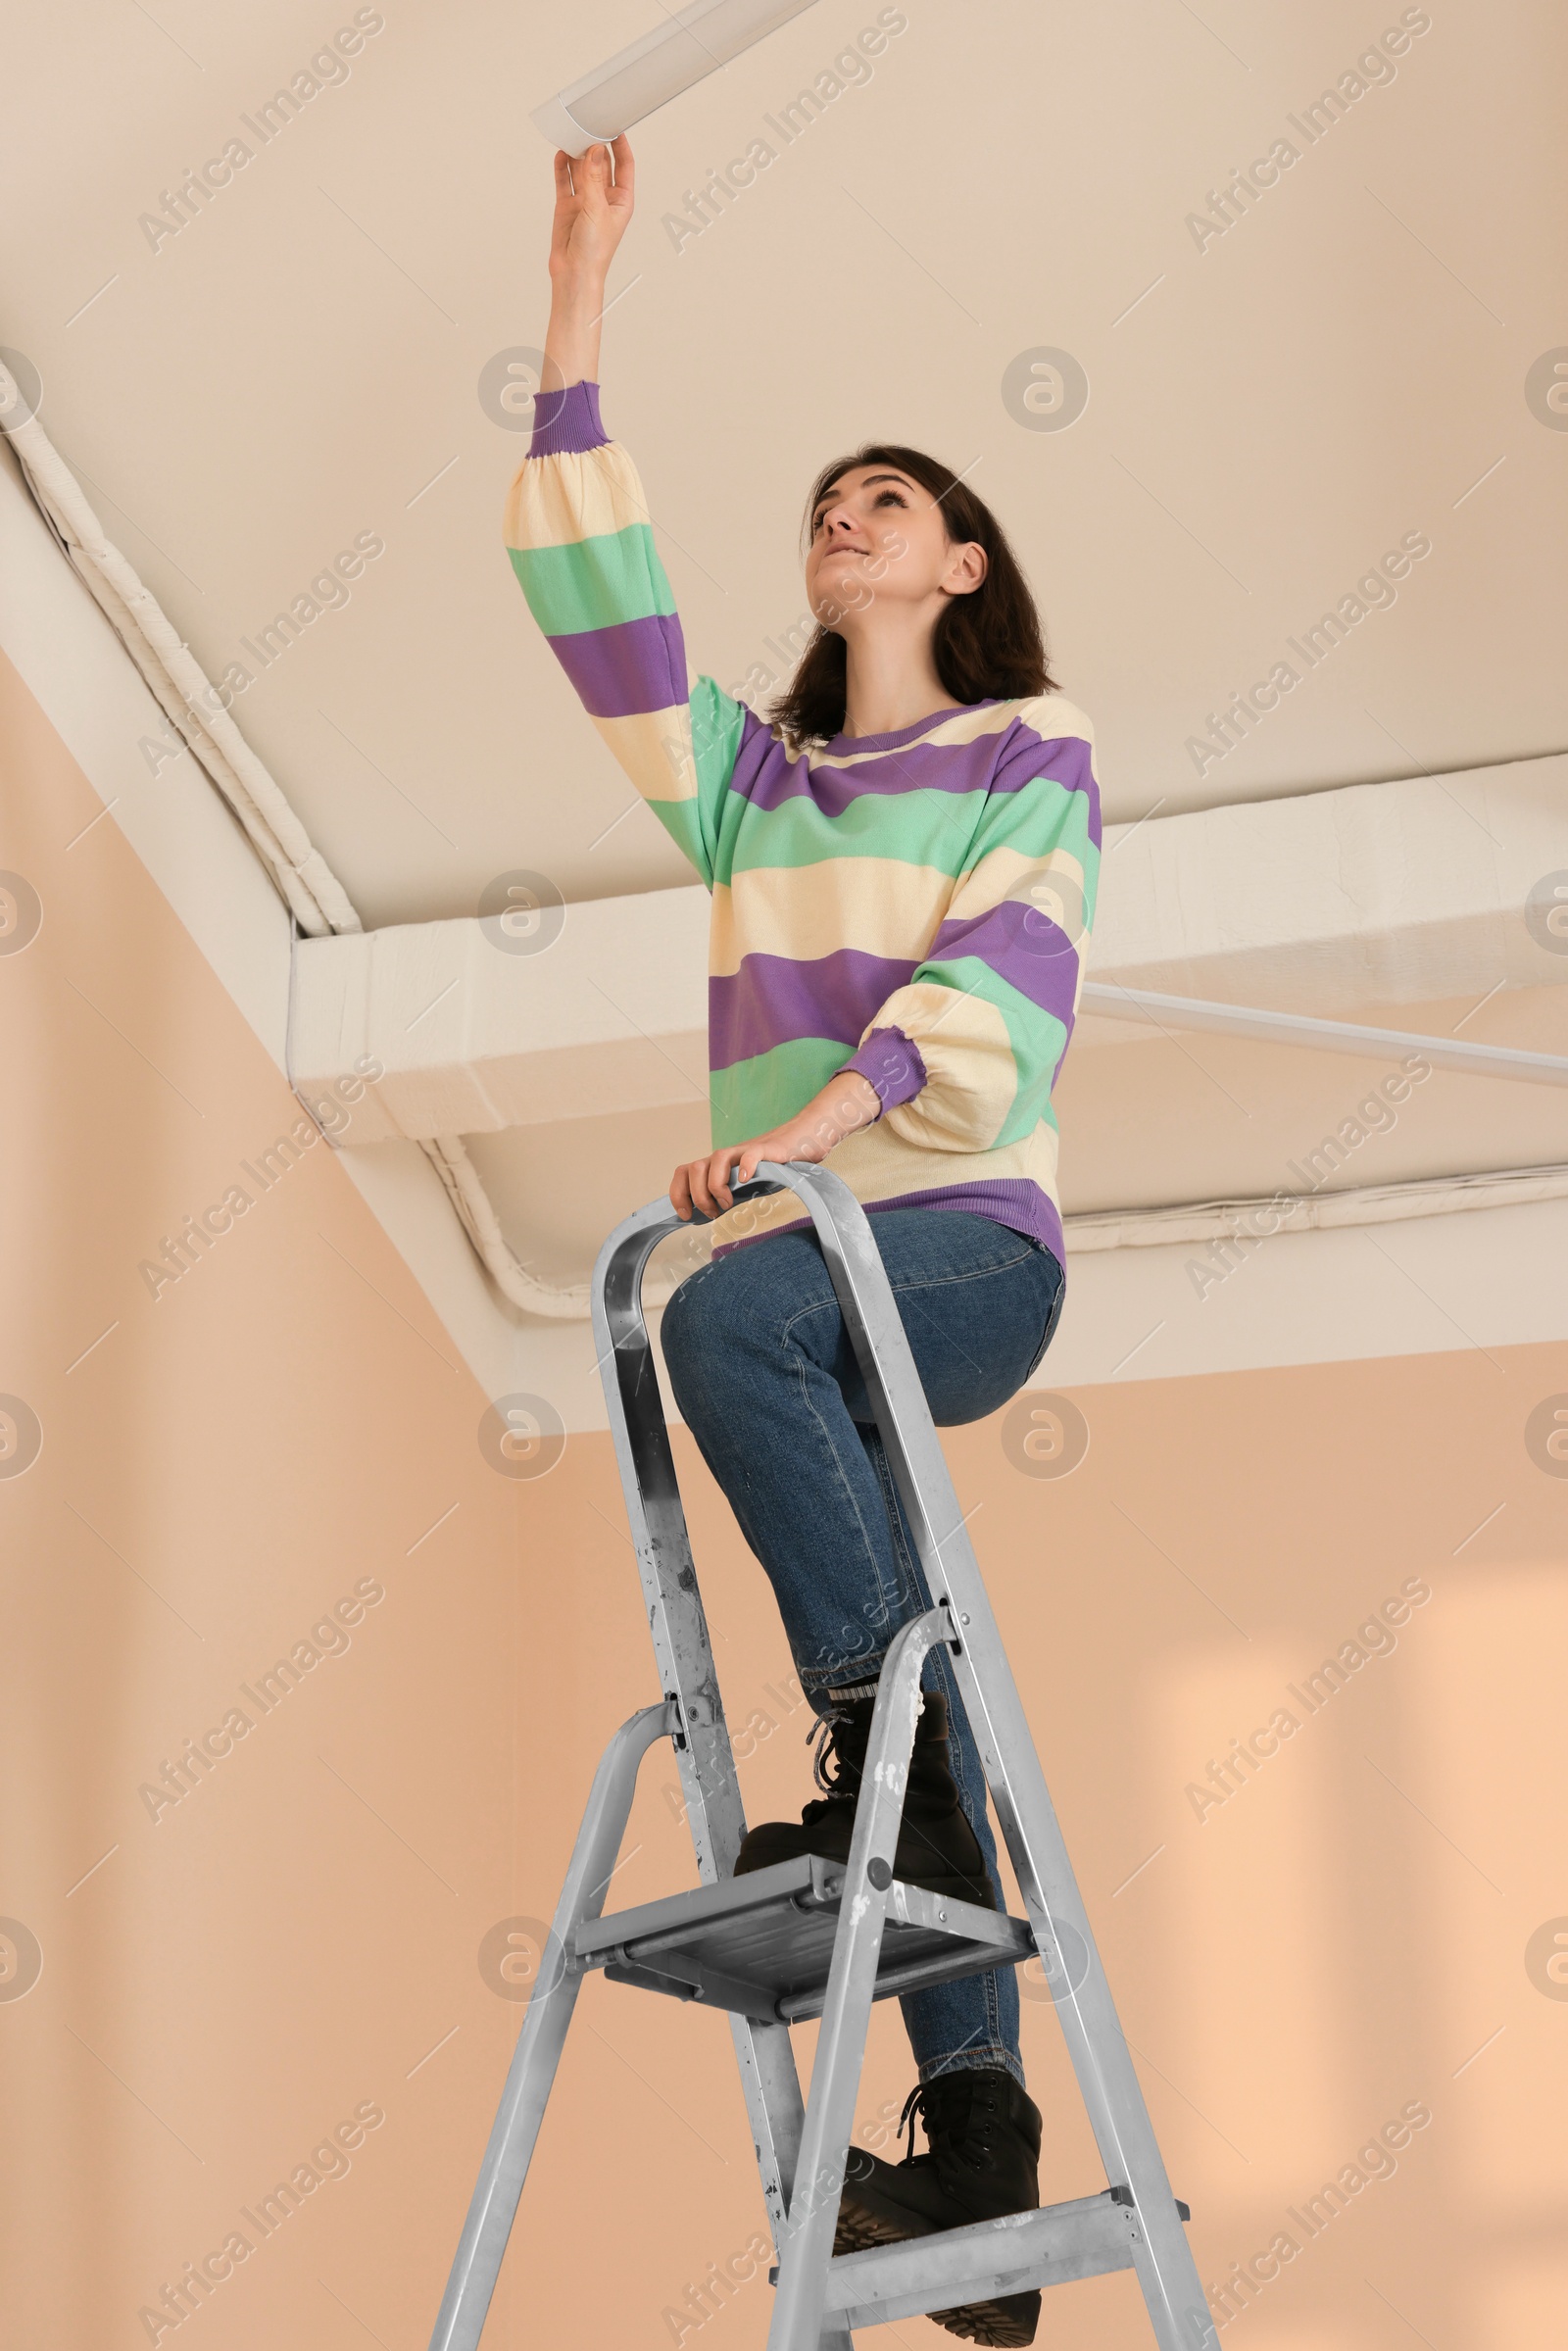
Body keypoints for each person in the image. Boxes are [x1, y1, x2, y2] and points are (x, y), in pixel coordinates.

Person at [504, 135, 1100, 2348]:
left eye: (892, 494)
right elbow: (598, 611)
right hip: (810, 1244)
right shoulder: (751, 790)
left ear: (959, 558)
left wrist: (809, 1148)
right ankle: (981, 2142)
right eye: (824, 495)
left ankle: (871, 1765)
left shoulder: (1029, 748)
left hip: (946, 1241)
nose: (843, 509)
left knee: (734, 1307)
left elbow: (1001, 984)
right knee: (845, 1496)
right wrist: (573, 293)